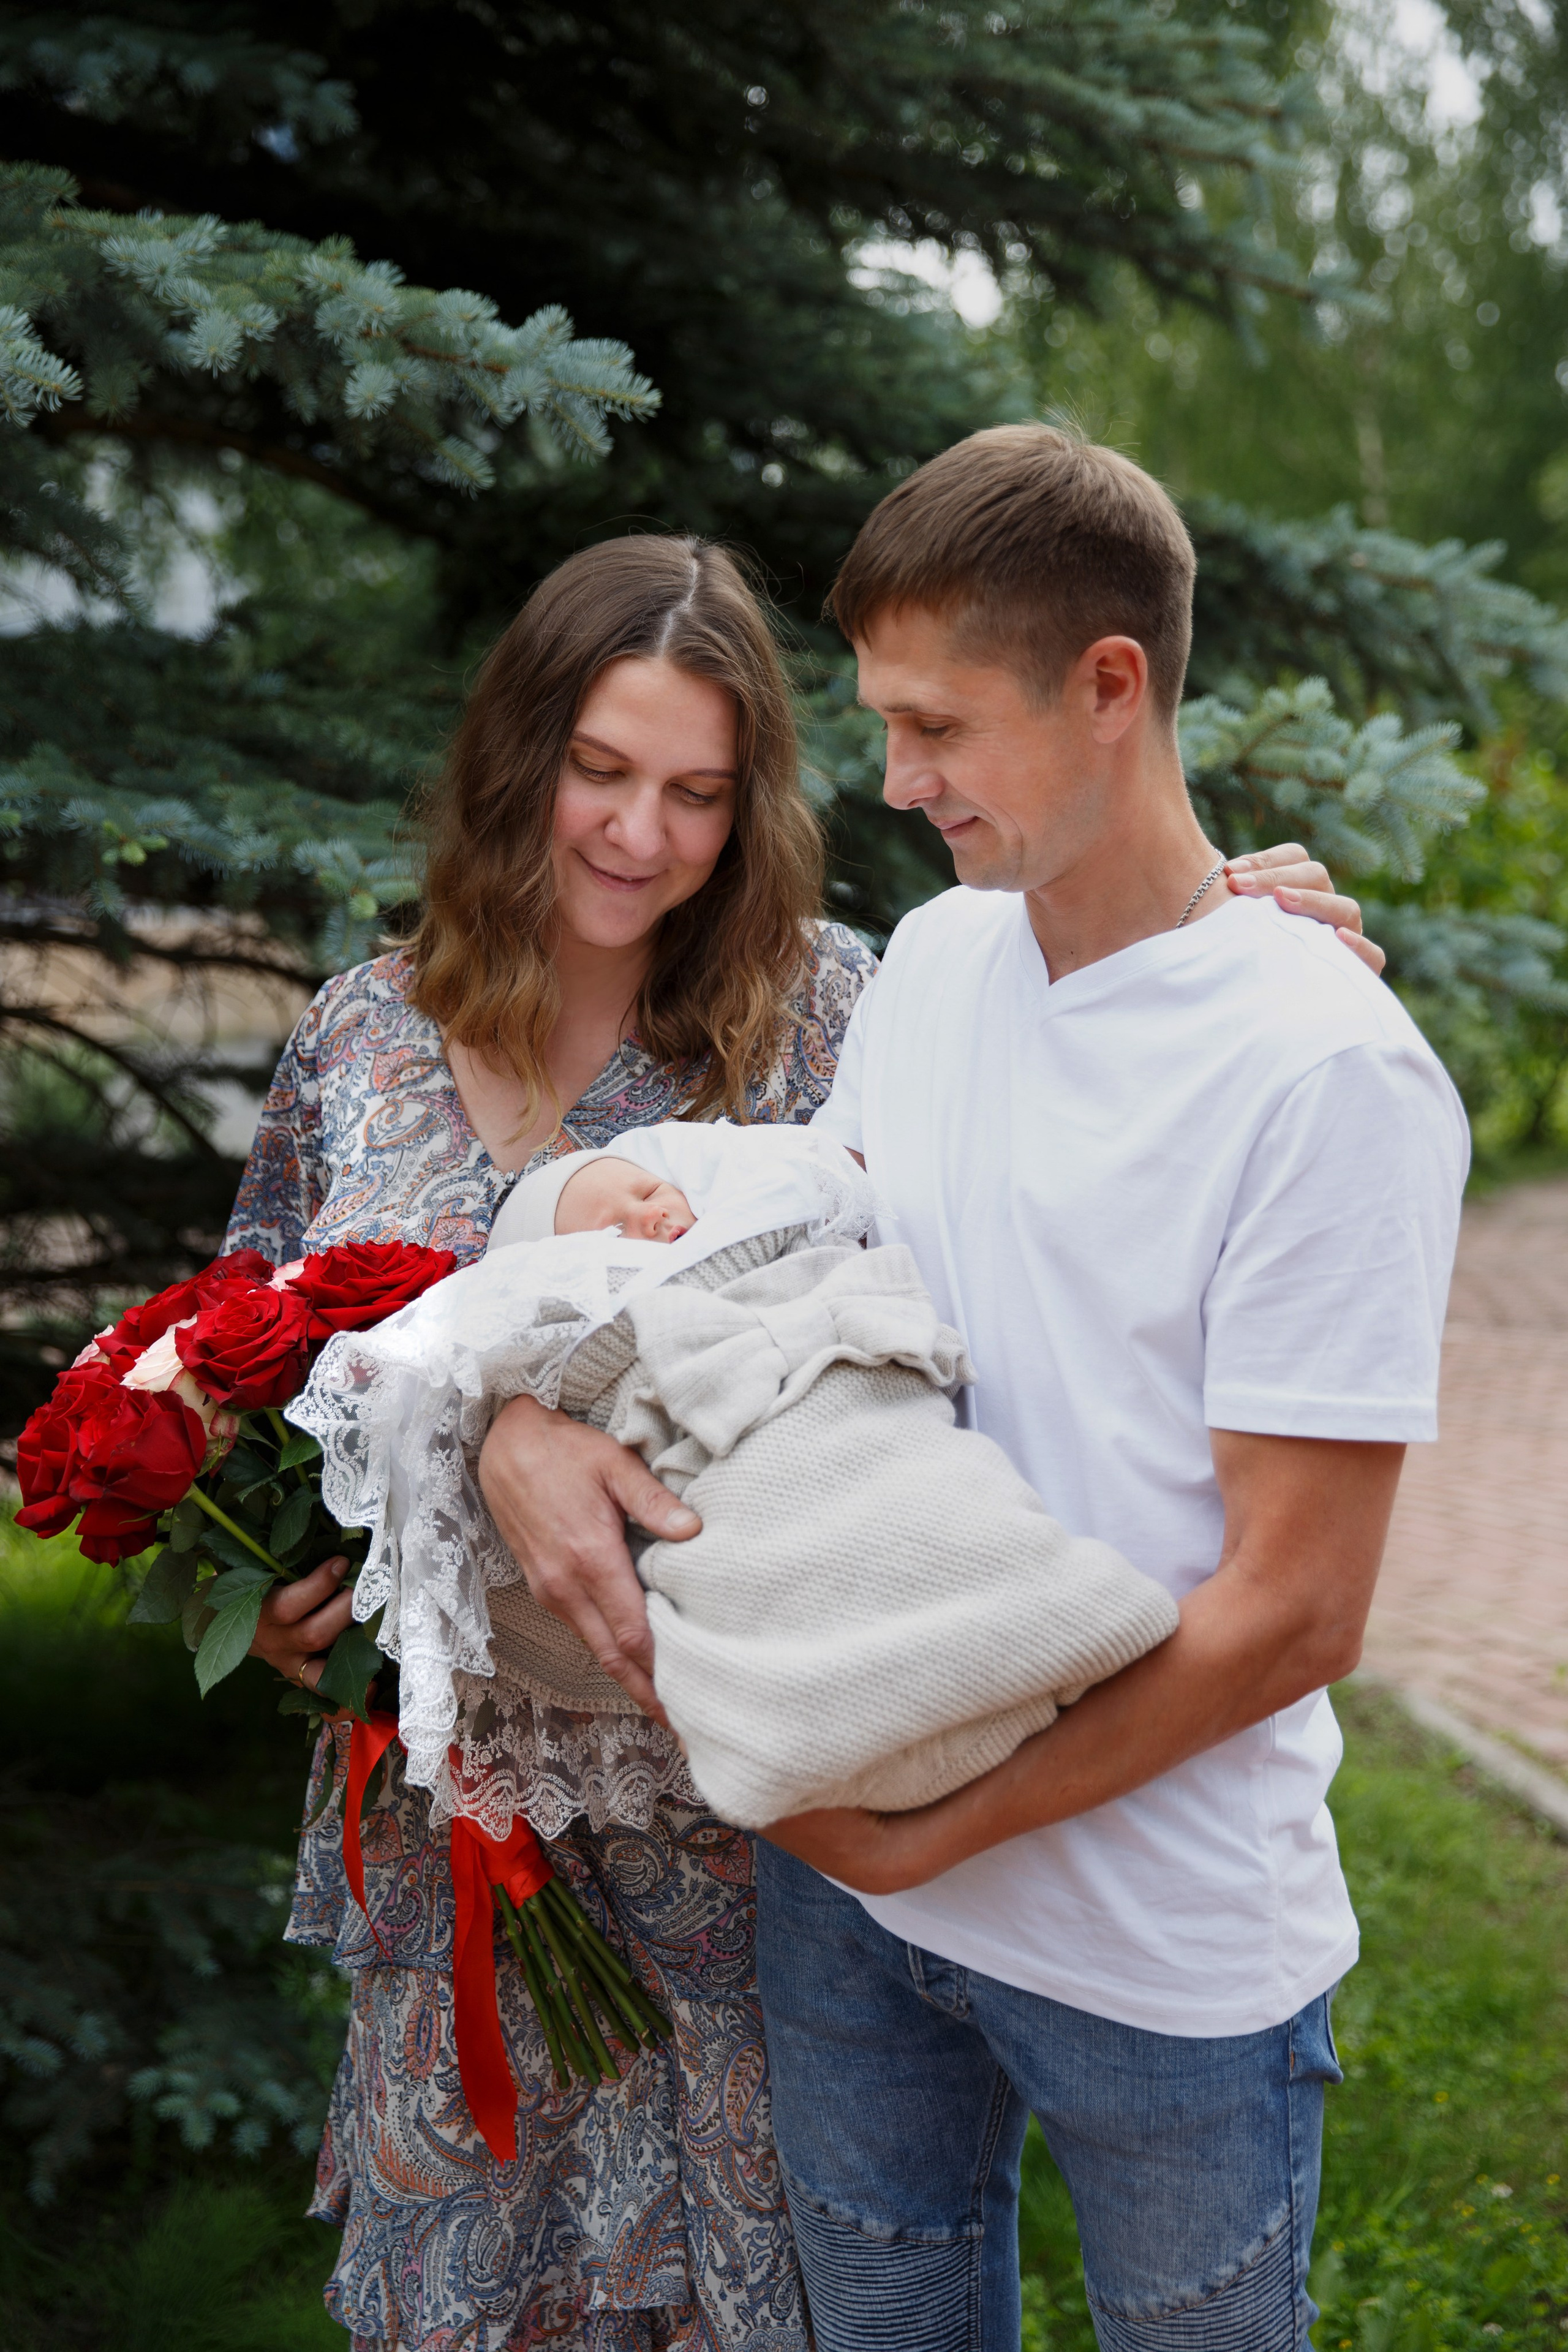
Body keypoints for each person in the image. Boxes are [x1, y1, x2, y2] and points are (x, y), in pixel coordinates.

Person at [235, 524, 1374, 2351]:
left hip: (758, 1825)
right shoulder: (360, 1041)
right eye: (598, 770)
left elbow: (1075, 1006)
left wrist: (1230, 915)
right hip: (473, 1835)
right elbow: (265, 1377)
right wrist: (294, 1588)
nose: (640, 833)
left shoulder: (831, 1005)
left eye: (698, 792)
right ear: (517, 753)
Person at [756, 426, 1469, 2350]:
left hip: (1159, 1948)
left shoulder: (1324, 1069)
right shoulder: (933, 961)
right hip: (854, 1902)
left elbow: (1297, 1610)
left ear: (1109, 685)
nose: (895, 781)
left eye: (938, 726)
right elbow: (814, 1322)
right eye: (882, 724)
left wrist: (944, 1826)